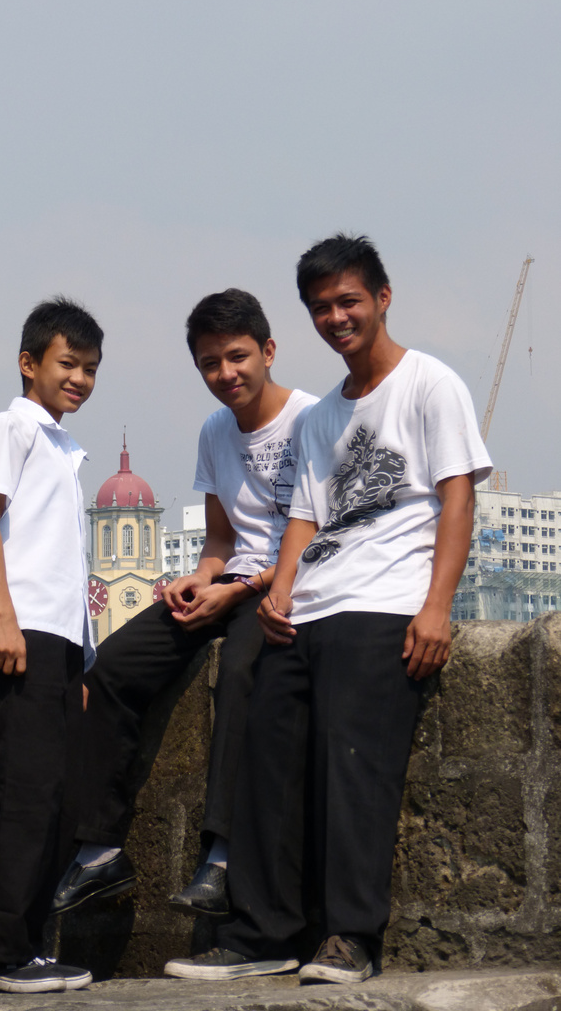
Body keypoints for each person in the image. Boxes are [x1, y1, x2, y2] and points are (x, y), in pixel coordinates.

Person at [165, 234, 491, 983]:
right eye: (322, 308)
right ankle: (263, 934)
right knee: (266, 761)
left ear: (381, 298)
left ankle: (350, 937)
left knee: (354, 764)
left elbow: (457, 497)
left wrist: (436, 608)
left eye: (348, 301)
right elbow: (305, 520)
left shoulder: (428, 384)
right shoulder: (320, 418)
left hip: (383, 606)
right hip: (309, 606)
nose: (337, 317)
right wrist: (278, 593)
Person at [51, 288, 318, 918]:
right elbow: (223, 539)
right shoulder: (215, 432)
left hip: (289, 588)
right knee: (108, 671)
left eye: (236, 357)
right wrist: (200, 578)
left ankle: (223, 857)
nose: (225, 375)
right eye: (209, 364)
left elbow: (319, 533)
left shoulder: (313, 420)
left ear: (268, 351)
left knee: (243, 677)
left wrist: (239, 591)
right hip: (234, 583)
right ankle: (99, 853)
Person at [0, 298, 103, 994]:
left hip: (56, 643)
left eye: (90, 369)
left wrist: (78, 657)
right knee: (24, 795)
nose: (79, 378)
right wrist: (3, 620)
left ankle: (30, 945)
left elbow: (58, 560)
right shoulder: (5, 431)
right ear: (29, 363)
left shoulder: (59, 450)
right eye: (67, 364)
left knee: (59, 800)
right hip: (17, 636)